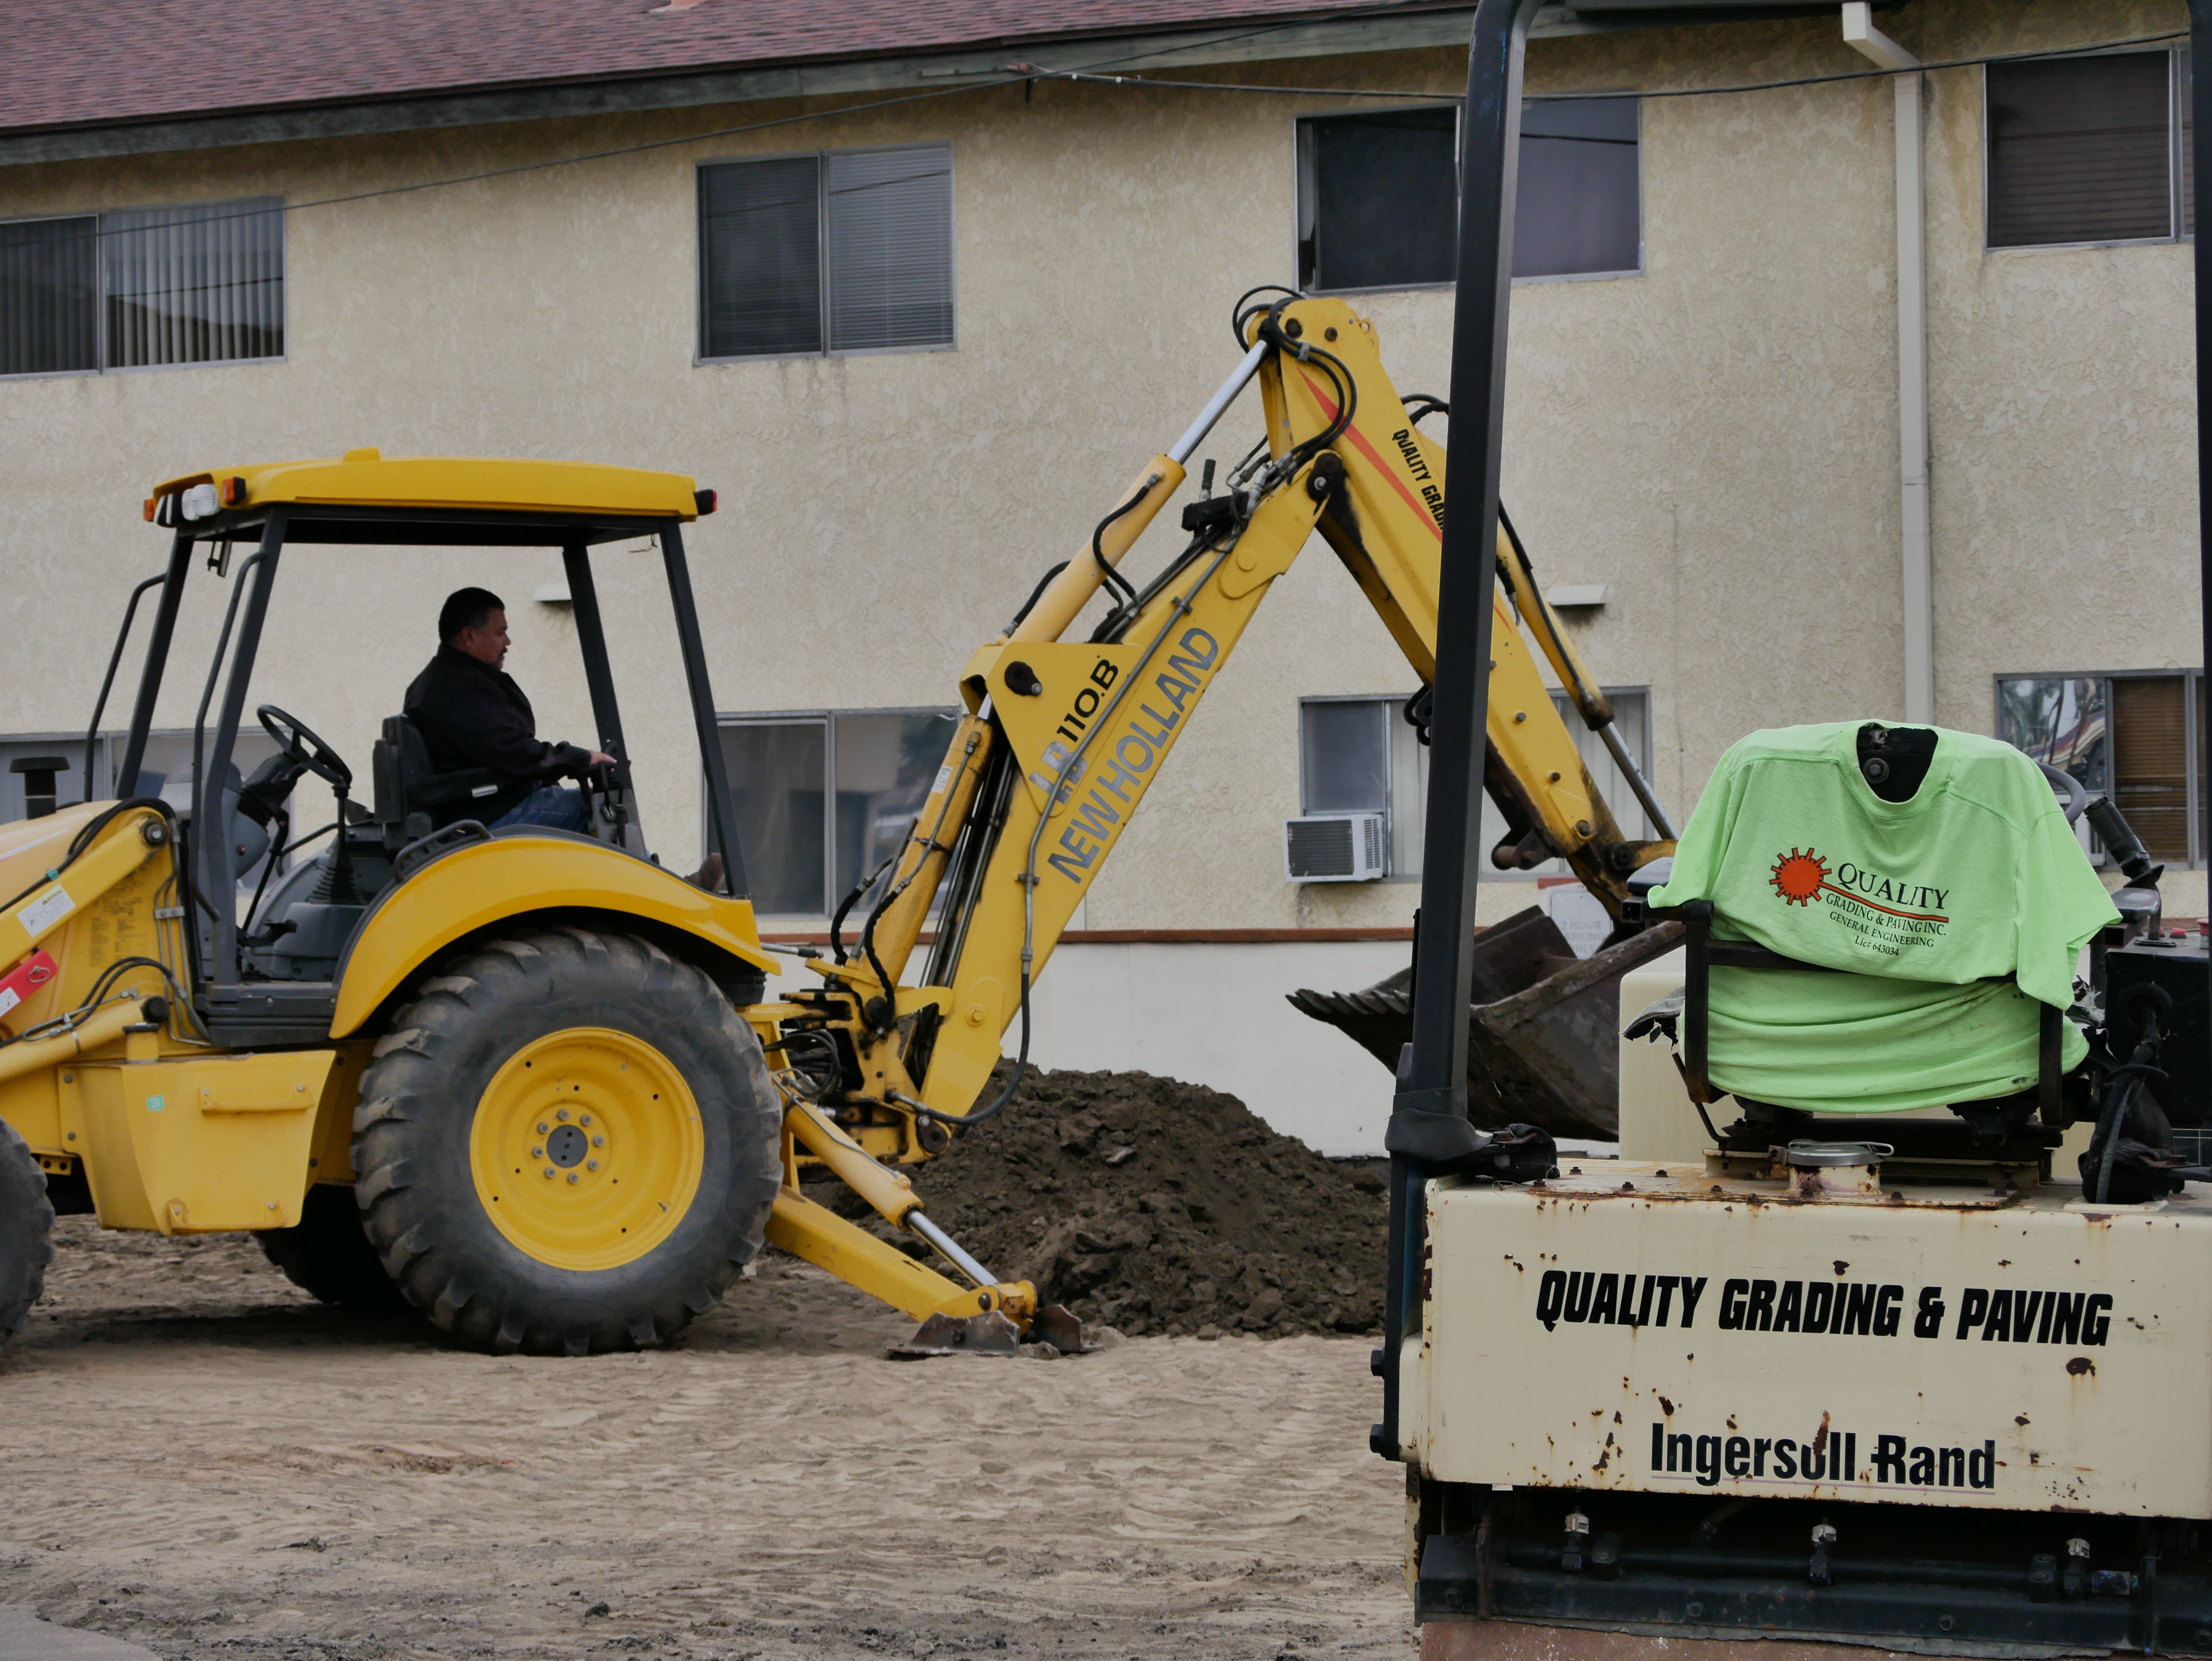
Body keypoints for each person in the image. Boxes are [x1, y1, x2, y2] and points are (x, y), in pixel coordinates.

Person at [404, 587, 613, 834]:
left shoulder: (442, 680)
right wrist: (580, 758)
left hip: (487, 803)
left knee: (591, 803)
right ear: (470, 637)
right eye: (500, 633)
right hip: (490, 813)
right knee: (605, 808)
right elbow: (516, 752)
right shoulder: (459, 689)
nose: (507, 642)